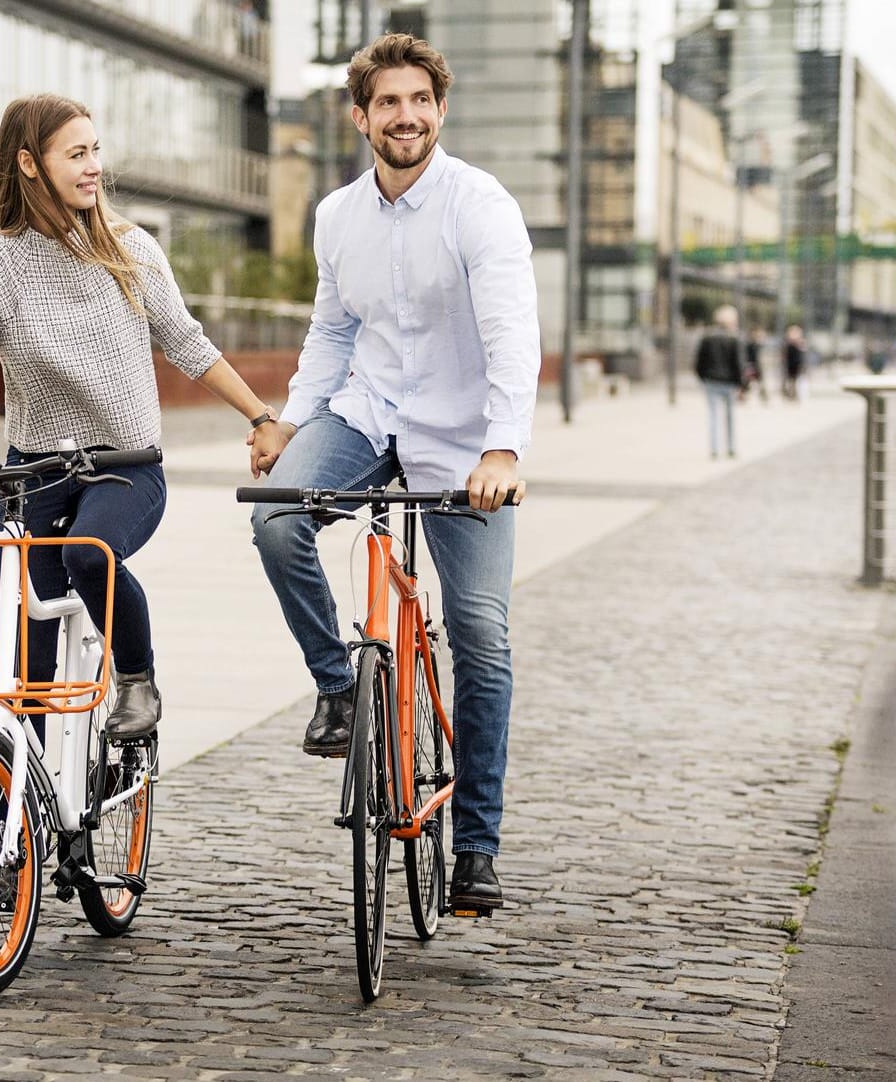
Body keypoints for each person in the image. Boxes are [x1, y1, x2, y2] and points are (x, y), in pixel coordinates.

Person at [0, 93, 276, 741]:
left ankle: (137, 682)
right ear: (29, 164)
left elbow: (187, 344)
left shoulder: (130, 250)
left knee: (88, 557)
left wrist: (261, 417)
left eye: (95, 152)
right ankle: (19, 814)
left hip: (125, 468)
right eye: (76, 154)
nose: (93, 167)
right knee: (26, 660)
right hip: (33, 473)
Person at [245, 33, 537, 916]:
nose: (405, 116)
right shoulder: (338, 216)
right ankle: (339, 688)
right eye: (387, 103)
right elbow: (332, 332)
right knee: (276, 517)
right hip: (368, 413)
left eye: (420, 101)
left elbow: (510, 336)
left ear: (439, 110)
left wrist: (503, 448)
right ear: (361, 115)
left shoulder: (480, 206)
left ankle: (476, 847)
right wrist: (292, 422)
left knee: (481, 633)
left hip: (462, 439)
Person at [695, 305, 743, 459]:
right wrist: (740, 383)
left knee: (713, 415)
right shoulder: (733, 339)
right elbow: (738, 364)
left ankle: (714, 449)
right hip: (729, 382)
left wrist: (703, 377)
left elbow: (699, 362)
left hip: (711, 381)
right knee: (729, 417)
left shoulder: (707, 338)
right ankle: (731, 447)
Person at [783, 323, 808, 402]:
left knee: (797, 380)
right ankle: (791, 394)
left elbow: (803, 354)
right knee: (790, 380)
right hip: (790, 364)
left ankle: (795, 395)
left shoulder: (800, 344)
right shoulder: (788, 345)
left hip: (797, 364)